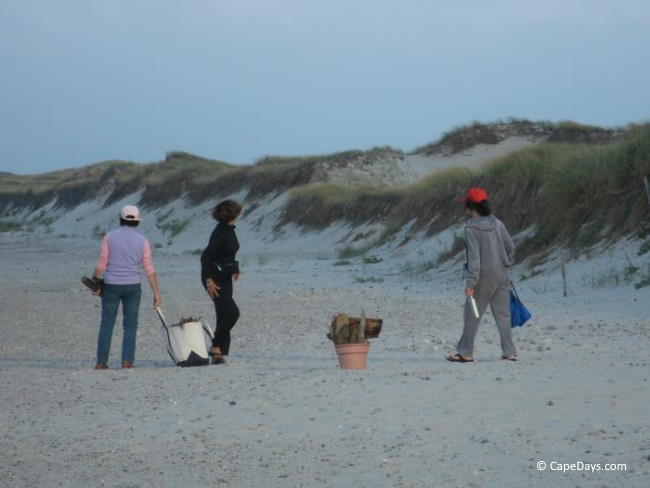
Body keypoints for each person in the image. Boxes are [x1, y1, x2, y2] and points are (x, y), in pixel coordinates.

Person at [447, 187, 517, 363]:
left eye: (466, 206)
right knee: (503, 315)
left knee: (472, 314)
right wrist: (502, 260)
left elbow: (474, 262)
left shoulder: (471, 230)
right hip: (502, 273)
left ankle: (465, 353)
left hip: (483, 277)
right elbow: (511, 247)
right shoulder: (497, 223)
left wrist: (470, 285)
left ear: (471, 207)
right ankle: (509, 352)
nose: (465, 210)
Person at [90, 205, 162, 369]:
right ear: (137, 221)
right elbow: (149, 268)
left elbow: (101, 264)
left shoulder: (109, 237)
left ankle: (101, 362)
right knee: (130, 324)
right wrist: (156, 293)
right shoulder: (142, 240)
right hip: (132, 286)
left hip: (110, 286)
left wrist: (95, 282)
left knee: (107, 324)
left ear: (121, 219)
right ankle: (127, 361)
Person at [200, 199, 242, 364]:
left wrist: (235, 268)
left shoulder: (228, 229)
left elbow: (227, 255)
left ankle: (219, 354)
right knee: (232, 313)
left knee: (224, 314)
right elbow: (206, 257)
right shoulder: (221, 232)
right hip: (214, 278)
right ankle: (216, 346)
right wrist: (209, 280)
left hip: (224, 276)